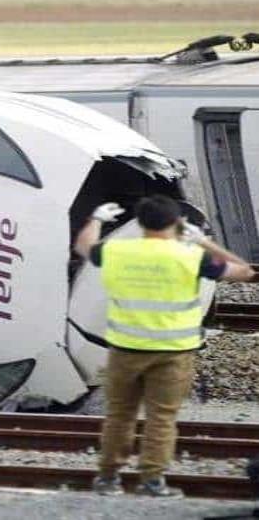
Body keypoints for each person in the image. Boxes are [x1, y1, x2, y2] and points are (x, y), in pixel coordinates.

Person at [75, 196, 257, 497]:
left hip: (126, 349)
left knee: (120, 415)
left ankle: (108, 478)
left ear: (141, 224)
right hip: (173, 352)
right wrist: (204, 242)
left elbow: (83, 248)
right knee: (162, 418)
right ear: (176, 223)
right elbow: (244, 271)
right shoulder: (190, 256)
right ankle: (152, 481)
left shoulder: (119, 250)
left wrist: (96, 218)